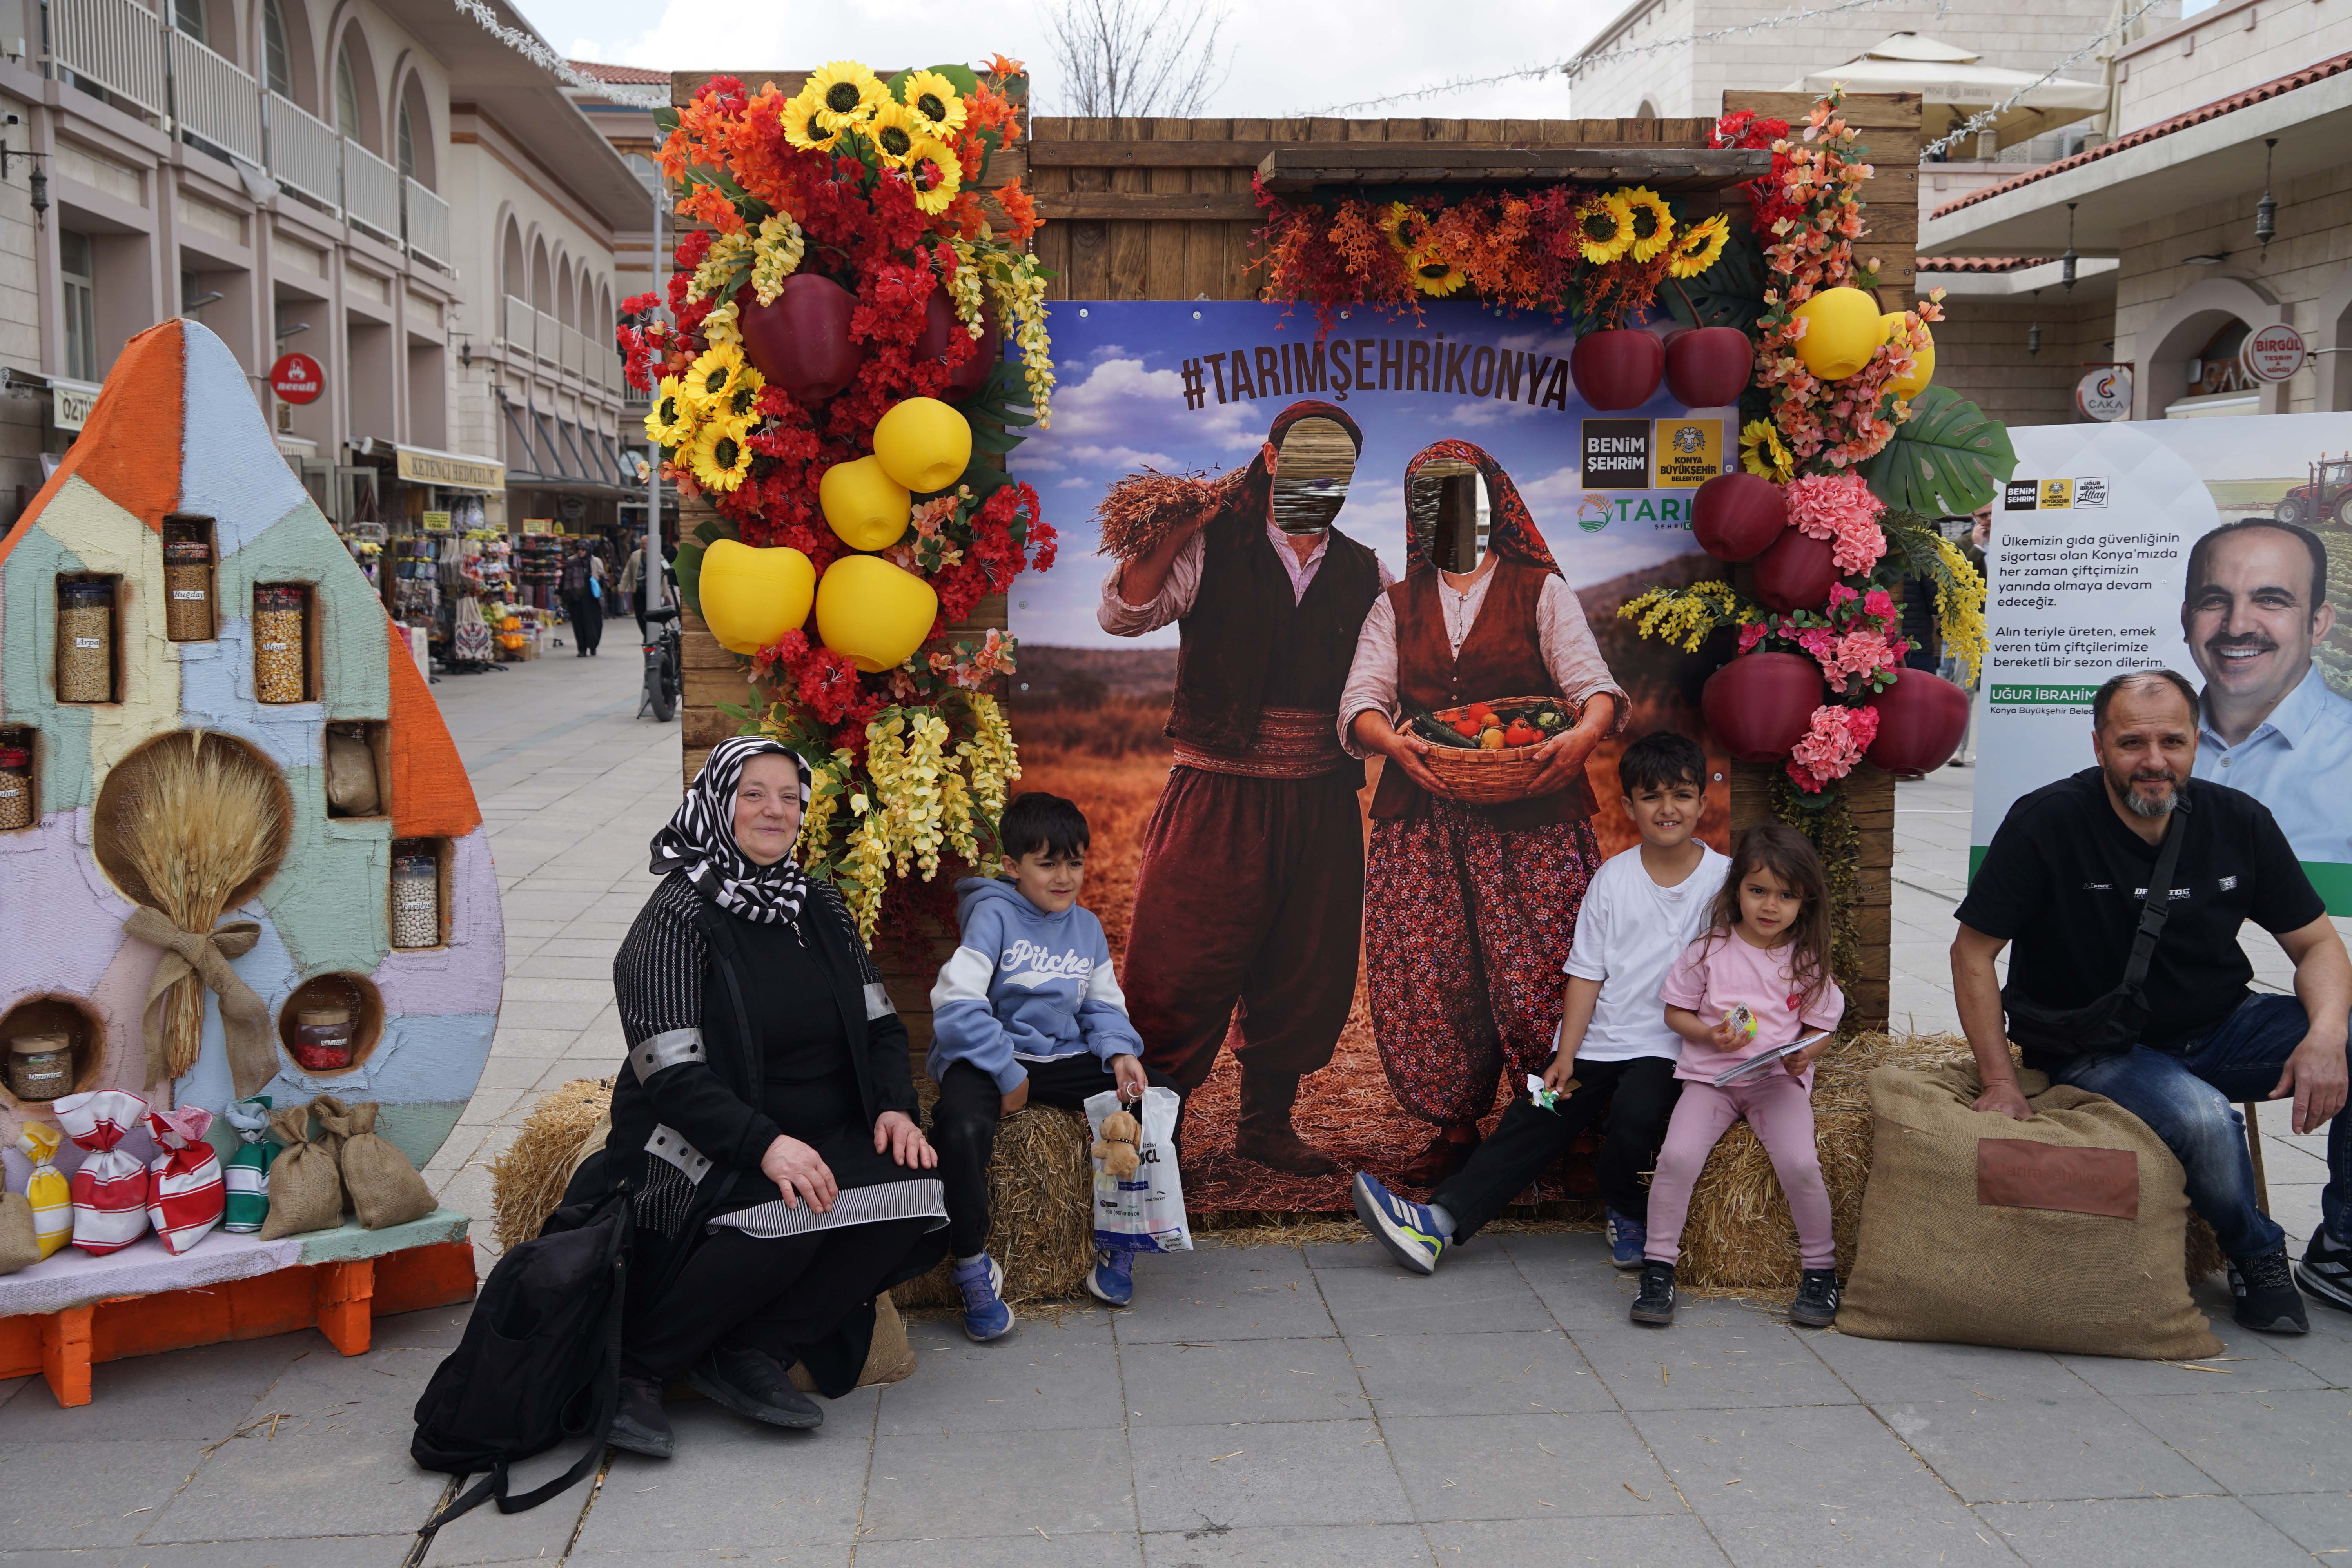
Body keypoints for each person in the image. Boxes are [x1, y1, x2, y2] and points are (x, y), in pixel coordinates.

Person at [1952, 668, 2352, 1334]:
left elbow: (2318, 947)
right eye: (2132, 743)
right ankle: (2255, 1251)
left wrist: (2327, 1036)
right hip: (2097, 1047)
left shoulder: (2239, 822)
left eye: (2173, 741)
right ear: (2098, 746)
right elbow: (1972, 953)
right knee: (2202, 1119)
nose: (2155, 762)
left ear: (2199, 742)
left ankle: (2339, 1249)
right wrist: (1999, 1079)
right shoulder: (2046, 821)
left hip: (2222, 1026)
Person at [579, 736, 946, 1459]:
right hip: (701, 1139)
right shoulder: (675, 919)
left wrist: (894, 1107)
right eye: (754, 793)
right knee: (796, 1204)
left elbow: (877, 1024)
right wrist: (764, 1145)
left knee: (921, 1186)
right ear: (719, 804)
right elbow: (673, 1076)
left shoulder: (819, 903)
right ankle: (637, 1369)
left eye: (789, 796)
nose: (775, 811)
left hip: (815, 1130)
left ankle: (755, 1350)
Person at [1097, 400, 1392, 1174]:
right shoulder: (1212, 544)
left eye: (1337, 470)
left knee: (1306, 966)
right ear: (1270, 458)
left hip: (1321, 800)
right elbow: (1123, 614)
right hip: (1217, 794)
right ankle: (1151, 1137)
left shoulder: (1365, 568)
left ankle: (1266, 1126)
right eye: (1305, 462)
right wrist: (1169, 528)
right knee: (1180, 963)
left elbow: (1396, 665)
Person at [1342, 440, 1625, 1182]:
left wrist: (1584, 738)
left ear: (1493, 501)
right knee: (1433, 972)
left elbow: (1592, 686)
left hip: (1530, 815)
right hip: (1423, 818)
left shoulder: (1540, 590)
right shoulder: (1395, 604)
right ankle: (1456, 1129)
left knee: (1543, 969)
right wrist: (1391, 746)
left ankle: (1566, 1127)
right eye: (1431, 500)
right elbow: (1363, 701)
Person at [1349, 731, 1728, 1273]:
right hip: (1601, 1044)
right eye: (1652, 797)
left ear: (1701, 803)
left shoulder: (1724, 882)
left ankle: (1626, 1211)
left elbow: (1746, 971)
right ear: (1629, 805)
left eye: (1681, 795)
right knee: (1536, 1108)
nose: (1667, 809)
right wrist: (1564, 1056)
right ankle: (1437, 1225)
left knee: (1634, 1115)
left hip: (1666, 1047)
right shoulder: (1612, 880)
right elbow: (1585, 975)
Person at [926, 792, 1174, 1332]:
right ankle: (970, 1264)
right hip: (991, 1055)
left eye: (1075, 863)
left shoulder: (1084, 927)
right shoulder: (992, 916)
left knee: (1154, 1095)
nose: (1064, 877)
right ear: (1013, 867)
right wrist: (1006, 1073)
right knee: (961, 1126)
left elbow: (1102, 1003)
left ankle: (1117, 1236)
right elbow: (955, 1005)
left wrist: (1121, 1051)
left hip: (1059, 1056)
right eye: (1048, 864)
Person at [1630, 822, 1845, 1330]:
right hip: (1712, 1082)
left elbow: (1821, 1027)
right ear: (1737, 892)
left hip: (1776, 1084)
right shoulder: (1710, 950)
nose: (1770, 907)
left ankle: (1821, 1271)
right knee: (1677, 1157)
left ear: (1805, 901)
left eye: (1786, 896)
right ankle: (1659, 1267)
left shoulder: (1806, 959)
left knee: (1801, 1163)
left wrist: (1805, 1055)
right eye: (1758, 892)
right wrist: (1708, 1036)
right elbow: (1675, 1014)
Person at [2181, 519, 2352, 867]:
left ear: (2318, 624)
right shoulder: (2130, 755)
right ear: (2187, 621)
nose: (2238, 625)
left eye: (2271, 600)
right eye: (2214, 600)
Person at [561, 540, 605, 657]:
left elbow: (605, 580)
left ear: (589, 550)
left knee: (594, 624)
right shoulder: (571, 562)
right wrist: (559, 594)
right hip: (576, 599)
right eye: (578, 549)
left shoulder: (595, 562)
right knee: (579, 625)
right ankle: (582, 649)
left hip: (592, 599)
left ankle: (593, 646)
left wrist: (598, 578)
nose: (581, 552)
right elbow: (564, 579)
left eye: (583, 549)